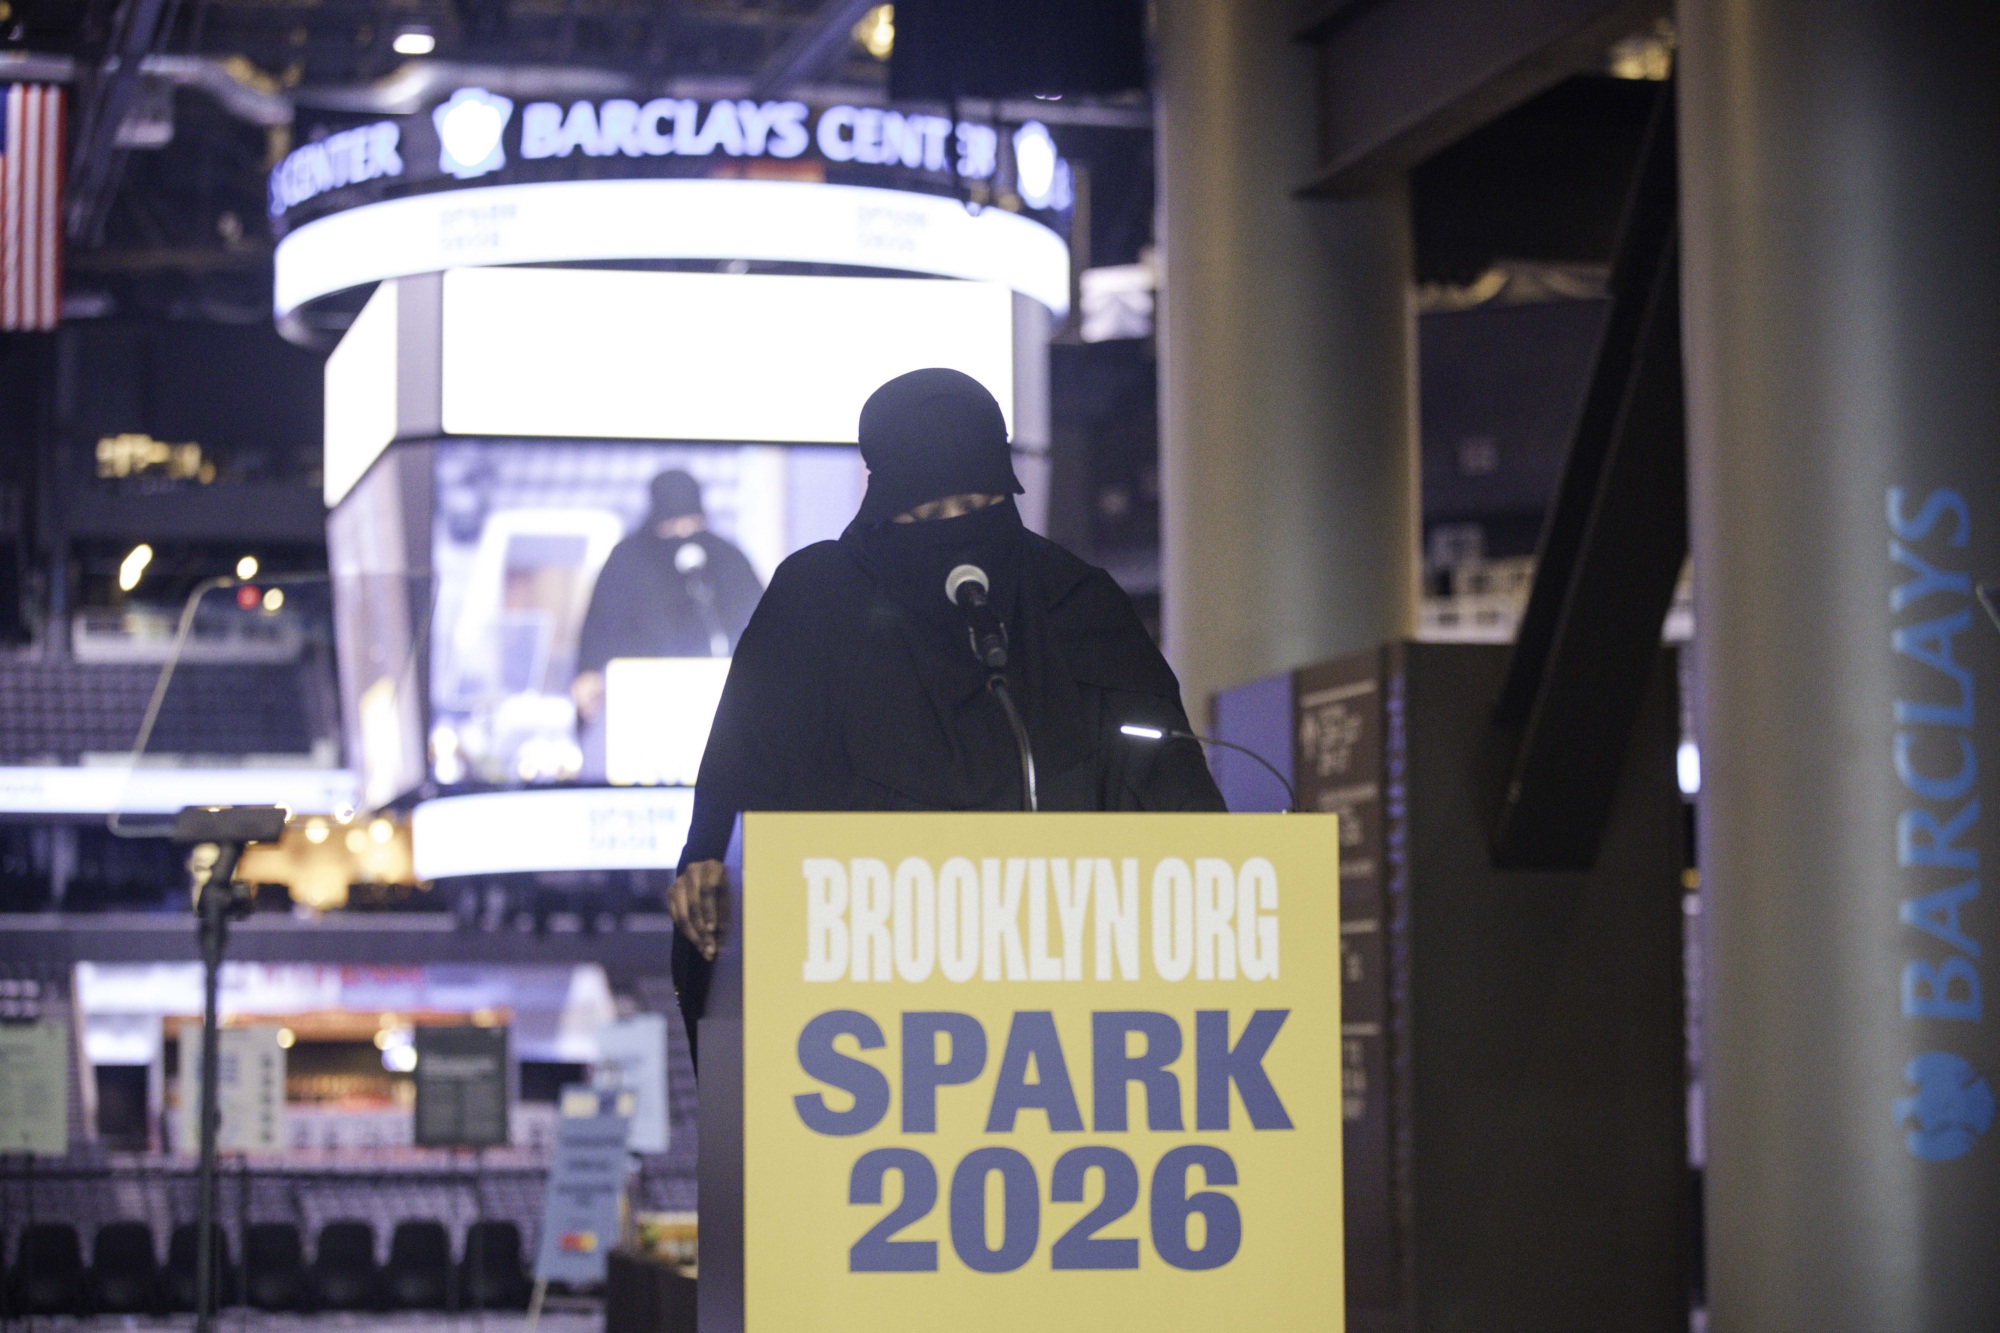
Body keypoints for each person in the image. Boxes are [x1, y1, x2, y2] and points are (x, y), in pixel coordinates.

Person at [666, 368, 1225, 1056]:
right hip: (852, 1027)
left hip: (1066, 1033)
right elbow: (737, 785)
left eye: (980, 503)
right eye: (928, 517)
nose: (957, 529)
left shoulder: (1076, 604)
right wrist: (704, 868)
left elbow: (1184, 819)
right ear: (880, 504)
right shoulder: (816, 603)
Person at [571, 468, 765, 728]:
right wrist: (589, 673)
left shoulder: (726, 558)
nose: (684, 534)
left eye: (692, 524)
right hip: (640, 708)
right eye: (671, 527)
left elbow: (760, 626)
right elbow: (601, 627)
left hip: (722, 707)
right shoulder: (628, 560)